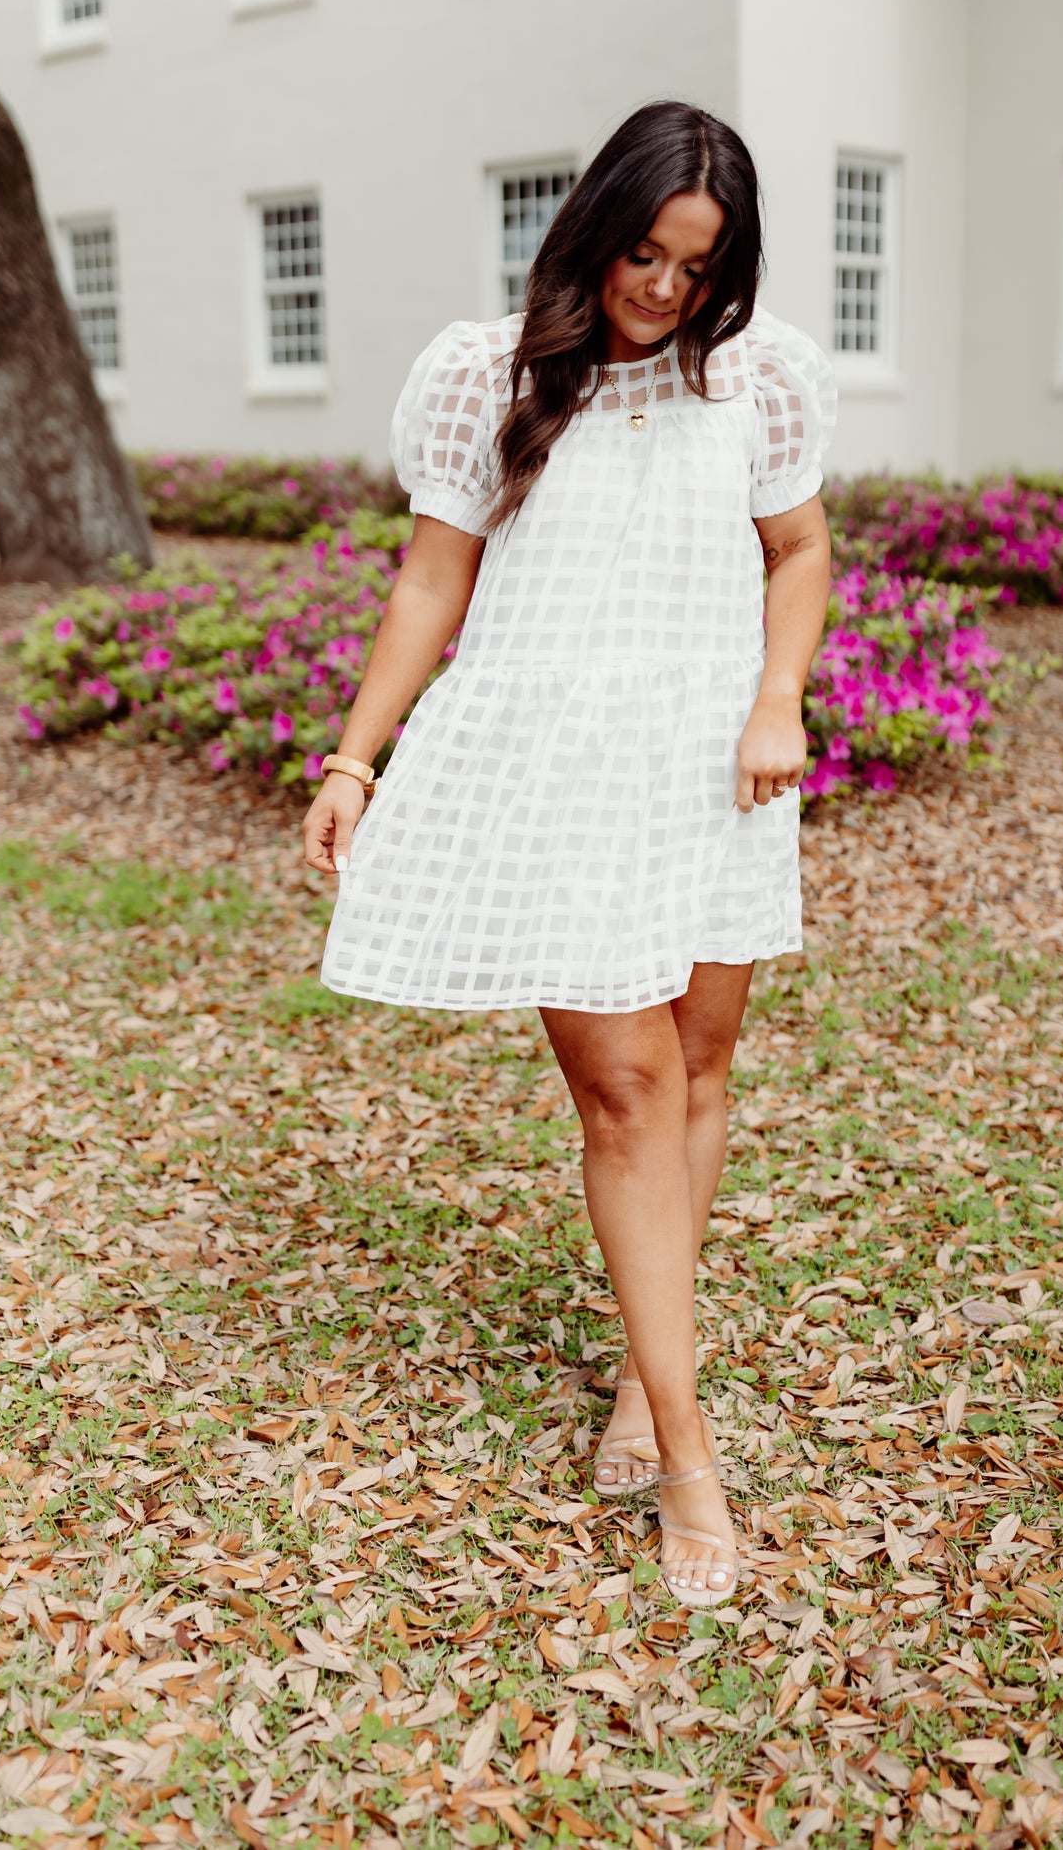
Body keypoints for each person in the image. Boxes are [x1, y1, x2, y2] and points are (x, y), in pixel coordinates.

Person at [302, 100, 833, 1607]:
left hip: (711, 770)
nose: (663, 290)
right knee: (628, 1087)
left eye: (696, 267)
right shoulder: (488, 370)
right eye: (645, 255)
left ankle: (638, 1356)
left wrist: (776, 697)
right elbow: (427, 583)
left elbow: (800, 554)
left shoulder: (760, 371)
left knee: (702, 1070)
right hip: (551, 771)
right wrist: (356, 759)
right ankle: (686, 1446)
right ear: (598, 225)